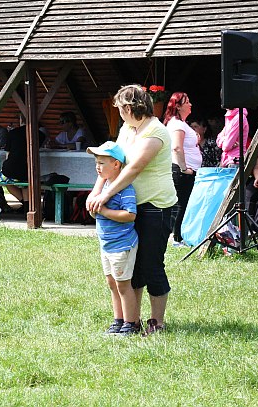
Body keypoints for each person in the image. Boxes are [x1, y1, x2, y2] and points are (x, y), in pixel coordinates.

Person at [87, 85, 176, 336]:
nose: (119, 115)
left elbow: (133, 168)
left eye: (120, 109)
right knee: (132, 266)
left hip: (156, 206)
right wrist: (97, 190)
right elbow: (112, 162)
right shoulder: (126, 129)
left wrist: (106, 195)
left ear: (129, 108)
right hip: (130, 204)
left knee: (151, 264)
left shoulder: (157, 131)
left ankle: (157, 322)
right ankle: (131, 321)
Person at [86, 141, 139, 336]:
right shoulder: (104, 186)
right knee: (112, 283)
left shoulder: (125, 189)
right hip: (106, 245)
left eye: (101, 163)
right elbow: (96, 211)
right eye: (96, 163)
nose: (97, 167)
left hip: (121, 245)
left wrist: (105, 211)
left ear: (116, 164)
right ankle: (118, 320)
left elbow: (130, 215)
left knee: (123, 285)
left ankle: (130, 323)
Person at [163, 92, 201, 246]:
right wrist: (184, 168)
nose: (190, 104)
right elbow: (177, 148)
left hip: (186, 170)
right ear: (178, 106)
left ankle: (180, 235)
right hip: (182, 171)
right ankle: (177, 238)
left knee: (183, 203)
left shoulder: (181, 124)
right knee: (181, 204)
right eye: (187, 102)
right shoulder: (177, 124)